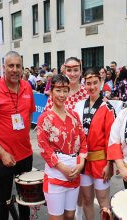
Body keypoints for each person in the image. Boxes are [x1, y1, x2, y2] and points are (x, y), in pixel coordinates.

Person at [0, 51, 35, 220]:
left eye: (18, 66)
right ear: (4, 67)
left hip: (25, 155)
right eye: (11, 65)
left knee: (26, 199)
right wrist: (2, 153)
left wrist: (23, 135)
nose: (15, 69)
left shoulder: (27, 87)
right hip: (3, 158)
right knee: (3, 198)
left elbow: (30, 114)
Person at [37, 74, 87, 220]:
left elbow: (83, 141)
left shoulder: (74, 116)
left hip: (74, 170)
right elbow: (44, 148)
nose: (62, 95)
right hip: (55, 173)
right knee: (56, 217)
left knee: (70, 216)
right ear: (51, 91)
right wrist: (62, 167)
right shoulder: (45, 118)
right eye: (58, 90)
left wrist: (82, 163)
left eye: (65, 90)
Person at [74, 69, 116, 220]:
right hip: (84, 161)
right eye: (88, 83)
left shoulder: (108, 108)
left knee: (104, 202)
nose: (91, 87)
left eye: (95, 83)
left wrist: (110, 164)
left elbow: (111, 140)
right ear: (84, 85)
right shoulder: (79, 106)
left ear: (101, 83)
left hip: (100, 162)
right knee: (86, 199)